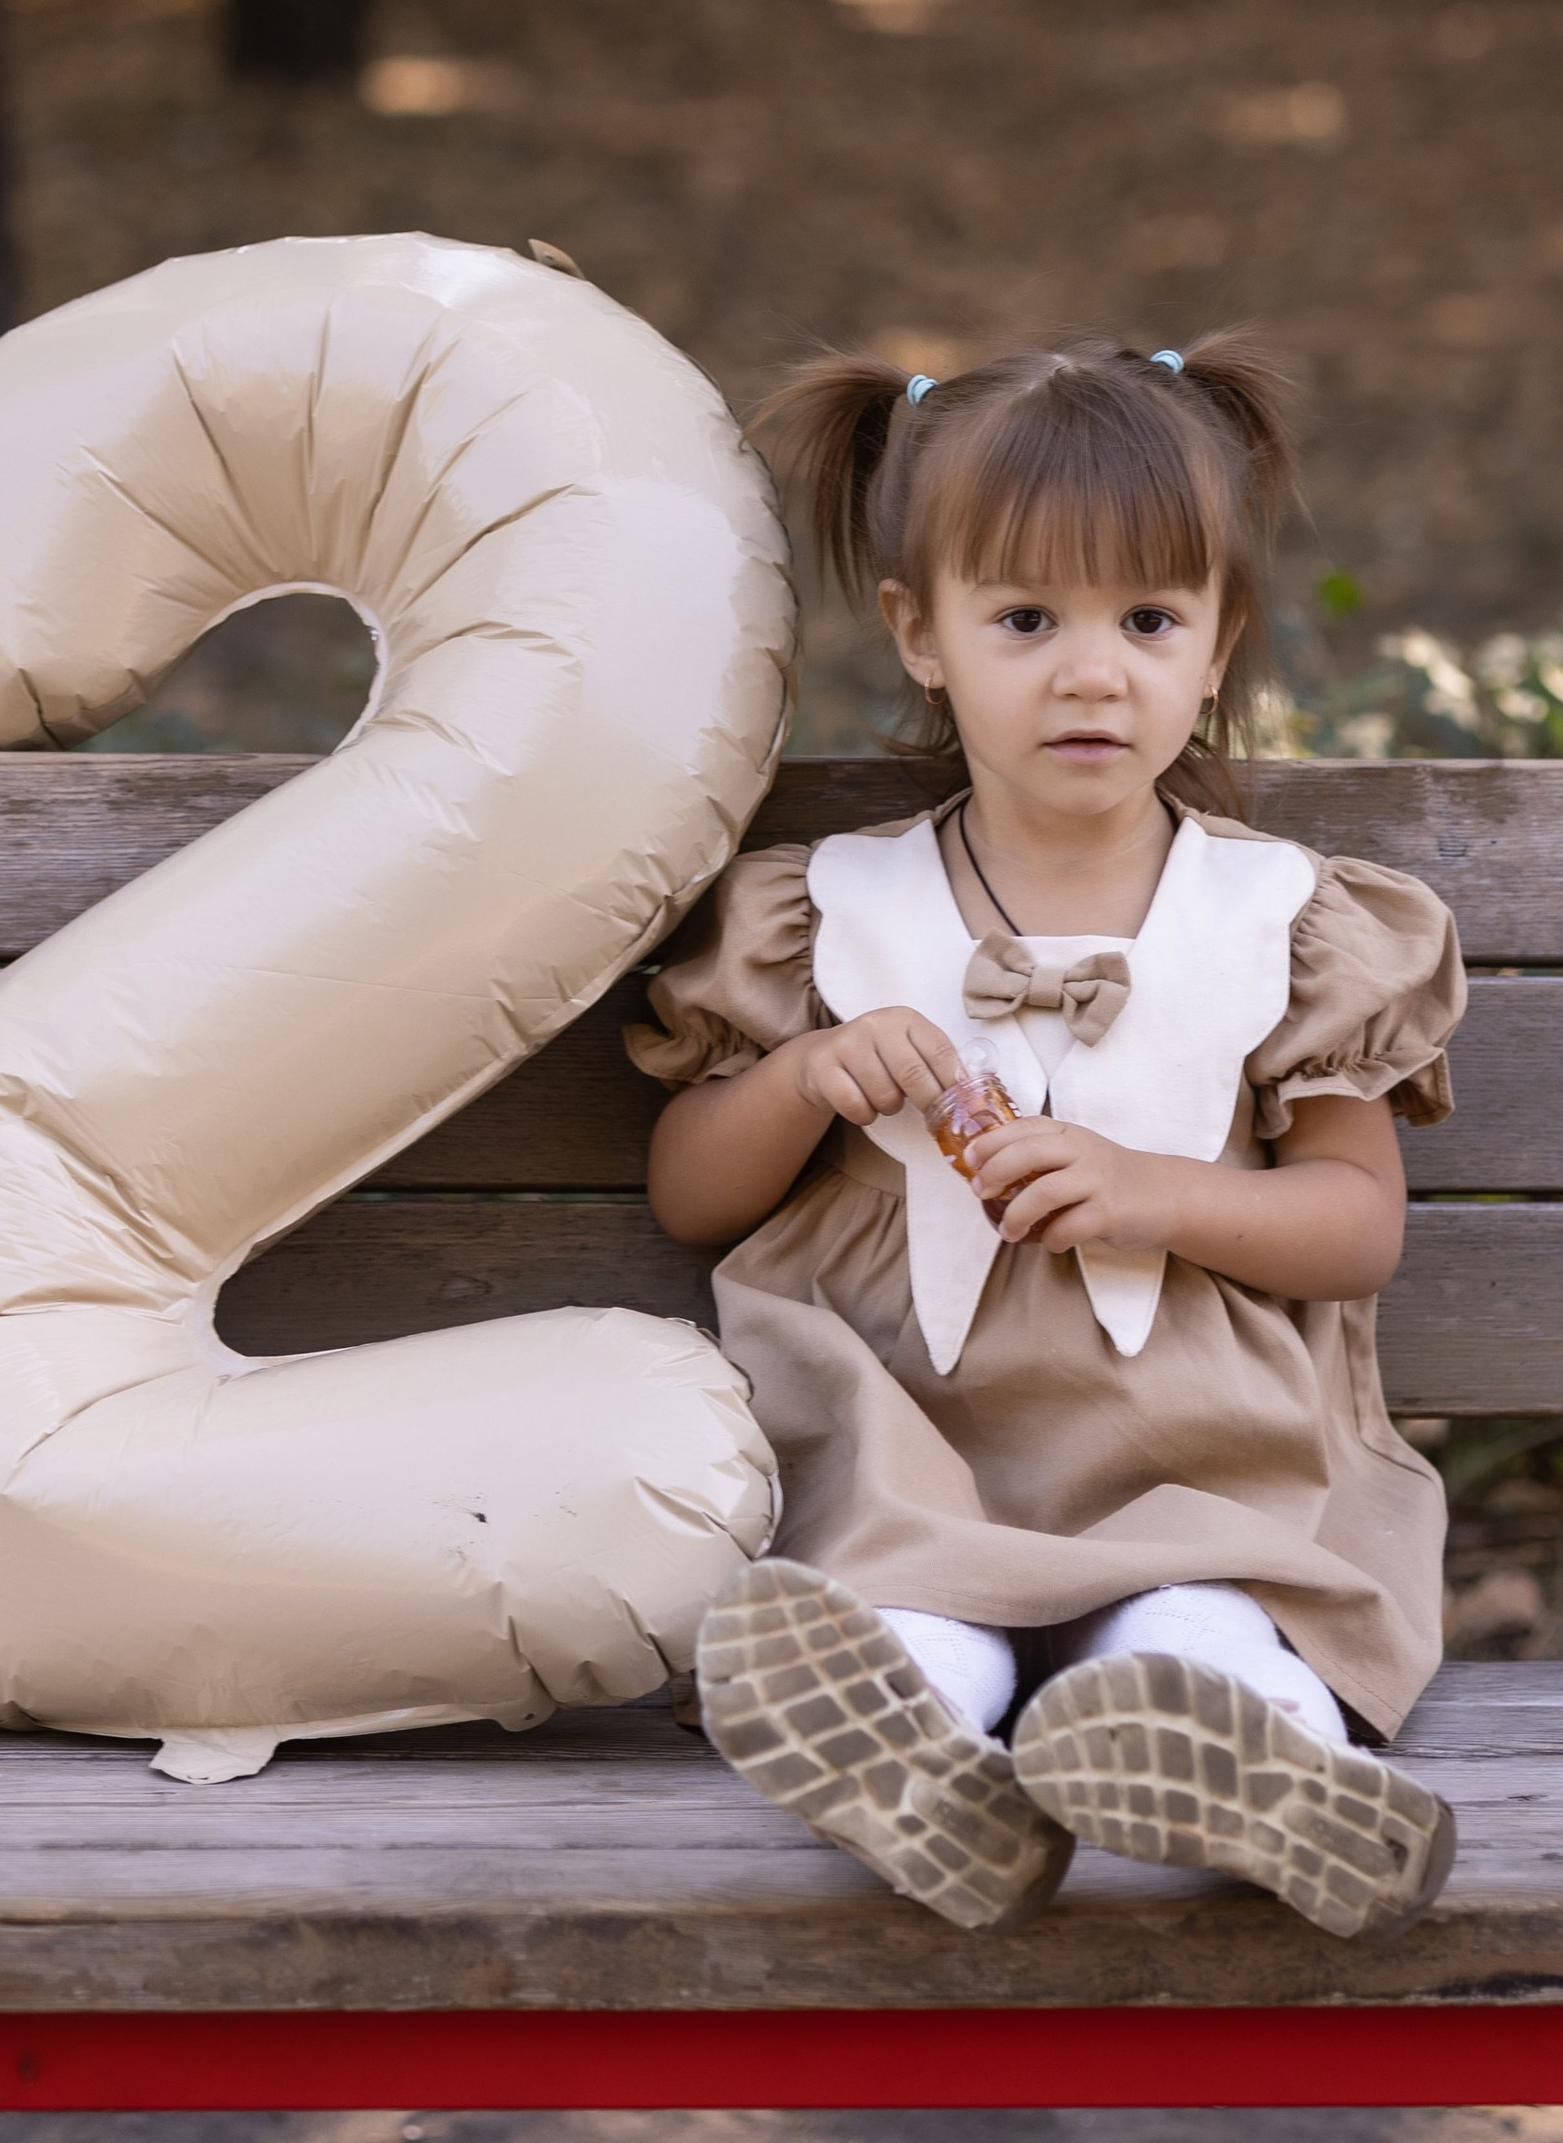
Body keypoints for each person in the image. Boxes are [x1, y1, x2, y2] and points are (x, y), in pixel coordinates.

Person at [628, 332, 1465, 1937]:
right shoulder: (826, 914)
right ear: (920, 634)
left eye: (1148, 620)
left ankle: (1241, 1749)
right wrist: (802, 1080)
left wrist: (1162, 1193)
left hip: (1195, 1447)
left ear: (1217, 645)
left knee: (1199, 1612)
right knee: (902, 1610)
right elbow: (689, 1197)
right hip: (914, 1445)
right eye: (1026, 620)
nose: (1093, 673)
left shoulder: (1285, 921)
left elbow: (1358, 1225)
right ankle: (914, 1759)